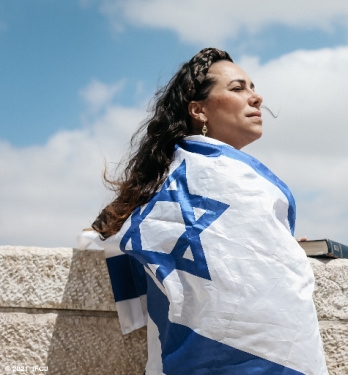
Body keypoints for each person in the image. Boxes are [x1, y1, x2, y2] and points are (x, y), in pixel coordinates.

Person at [84, 48, 328, 374]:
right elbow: (105, 235)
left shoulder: (247, 182)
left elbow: (235, 245)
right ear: (199, 110)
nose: (256, 98)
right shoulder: (165, 182)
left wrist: (276, 245)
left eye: (253, 87)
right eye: (237, 88)